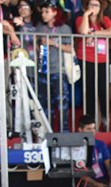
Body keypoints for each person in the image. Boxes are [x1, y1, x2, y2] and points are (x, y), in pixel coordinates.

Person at [37, 1, 74, 132]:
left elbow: (70, 48)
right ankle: (47, 131)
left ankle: (64, 131)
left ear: (55, 12)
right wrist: (40, 45)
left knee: (62, 103)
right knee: (45, 105)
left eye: (47, 11)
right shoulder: (40, 28)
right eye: (42, 12)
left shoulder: (64, 28)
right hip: (43, 70)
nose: (43, 15)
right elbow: (36, 47)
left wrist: (54, 43)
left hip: (59, 70)